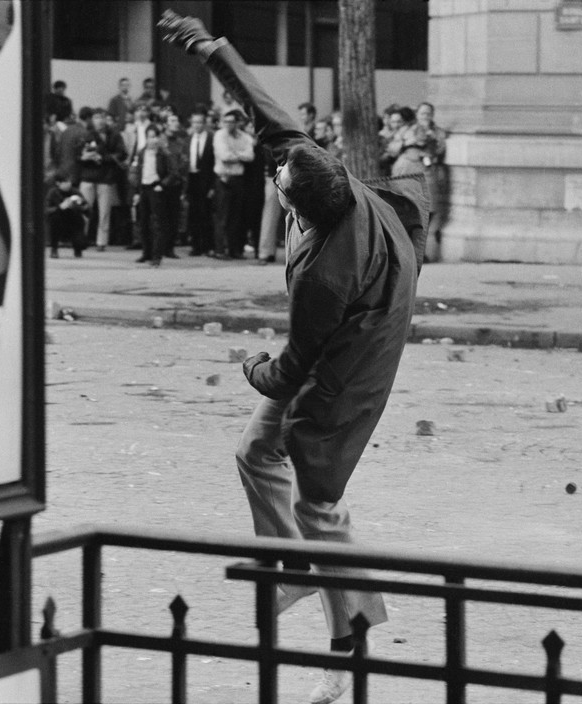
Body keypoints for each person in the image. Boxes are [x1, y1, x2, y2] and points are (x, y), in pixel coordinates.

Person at [161, 11, 428, 704]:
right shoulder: (317, 169)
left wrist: (249, 368)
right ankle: (296, 573)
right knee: (255, 452)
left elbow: (294, 366)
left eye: (276, 175)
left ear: (294, 200)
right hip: (344, 334)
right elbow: (263, 107)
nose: (271, 170)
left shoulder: (324, 274)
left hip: (350, 366)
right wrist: (209, 48)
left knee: (323, 506)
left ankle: (353, 645)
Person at [130, 123, 180, 266]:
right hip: (144, 188)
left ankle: (157, 255)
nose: (152, 140)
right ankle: (146, 252)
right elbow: (136, 172)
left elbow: (173, 173)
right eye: (149, 137)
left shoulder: (164, 153)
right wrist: (136, 191)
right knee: (143, 222)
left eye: (155, 137)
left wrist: (162, 184)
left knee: (158, 223)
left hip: (156, 188)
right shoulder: (141, 153)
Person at [78, 108, 127, 252]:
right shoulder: (86, 135)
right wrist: (84, 157)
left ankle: (101, 241)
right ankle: (81, 238)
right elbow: (77, 155)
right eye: (96, 117)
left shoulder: (115, 135)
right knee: (84, 209)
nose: (99, 120)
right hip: (88, 175)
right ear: (92, 120)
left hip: (105, 177)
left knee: (104, 211)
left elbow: (122, 153)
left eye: (101, 117)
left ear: (106, 119)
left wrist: (103, 158)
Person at [210, 108, 255, 259]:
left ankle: (234, 250)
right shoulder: (219, 135)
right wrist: (239, 155)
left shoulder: (244, 137)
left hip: (237, 179)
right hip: (223, 178)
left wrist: (234, 154)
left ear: (237, 123)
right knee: (222, 216)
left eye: (231, 122)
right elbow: (224, 156)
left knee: (236, 217)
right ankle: (219, 250)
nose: (228, 124)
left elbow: (250, 156)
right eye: (225, 122)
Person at [415, 101, 448, 262]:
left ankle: (424, 252)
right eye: (422, 113)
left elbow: (441, 149)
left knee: (429, 213)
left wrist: (431, 138)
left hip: (430, 176)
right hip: (412, 174)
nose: (425, 117)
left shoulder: (438, 132)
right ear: (417, 115)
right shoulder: (410, 131)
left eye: (428, 113)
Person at [184, 108, 215, 256]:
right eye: (194, 122)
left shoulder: (211, 138)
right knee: (193, 214)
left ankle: (207, 245)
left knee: (206, 213)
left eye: (199, 122)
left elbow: (214, 163)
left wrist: (213, 185)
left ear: (204, 123)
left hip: (206, 180)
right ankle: (195, 245)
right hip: (192, 179)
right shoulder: (188, 138)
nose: (196, 125)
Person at [161, 112, 189, 253]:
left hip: (175, 183)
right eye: (172, 120)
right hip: (161, 183)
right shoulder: (160, 140)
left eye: (176, 120)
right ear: (165, 124)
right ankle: (159, 246)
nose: (175, 123)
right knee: (161, 217)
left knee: (174, 216)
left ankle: (169, 248)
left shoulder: (180, 142)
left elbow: (184, 163)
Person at [46, 172, 88, 258]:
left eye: (69, 182)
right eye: (65, 182)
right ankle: (54, 249)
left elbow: (87, 208)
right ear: (58, 183)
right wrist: (60, 207)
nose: (68, 184)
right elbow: (46, 210)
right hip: (59, 219)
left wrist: (81, 205)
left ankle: (78, 249)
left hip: (73, 219)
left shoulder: (75, 191)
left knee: (79, 222)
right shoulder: (53, 193)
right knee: (54, 220)